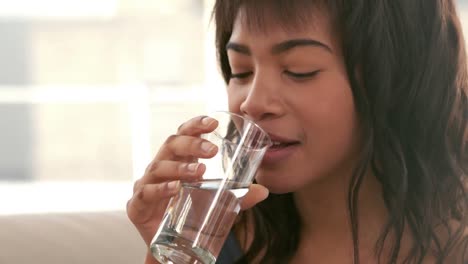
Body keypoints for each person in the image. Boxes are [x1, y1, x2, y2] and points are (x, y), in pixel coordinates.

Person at [127, 0, 468, 263]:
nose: (252, 103)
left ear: (395, 80)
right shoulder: (215, 241)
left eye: (299, 70)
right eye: (241, 71)